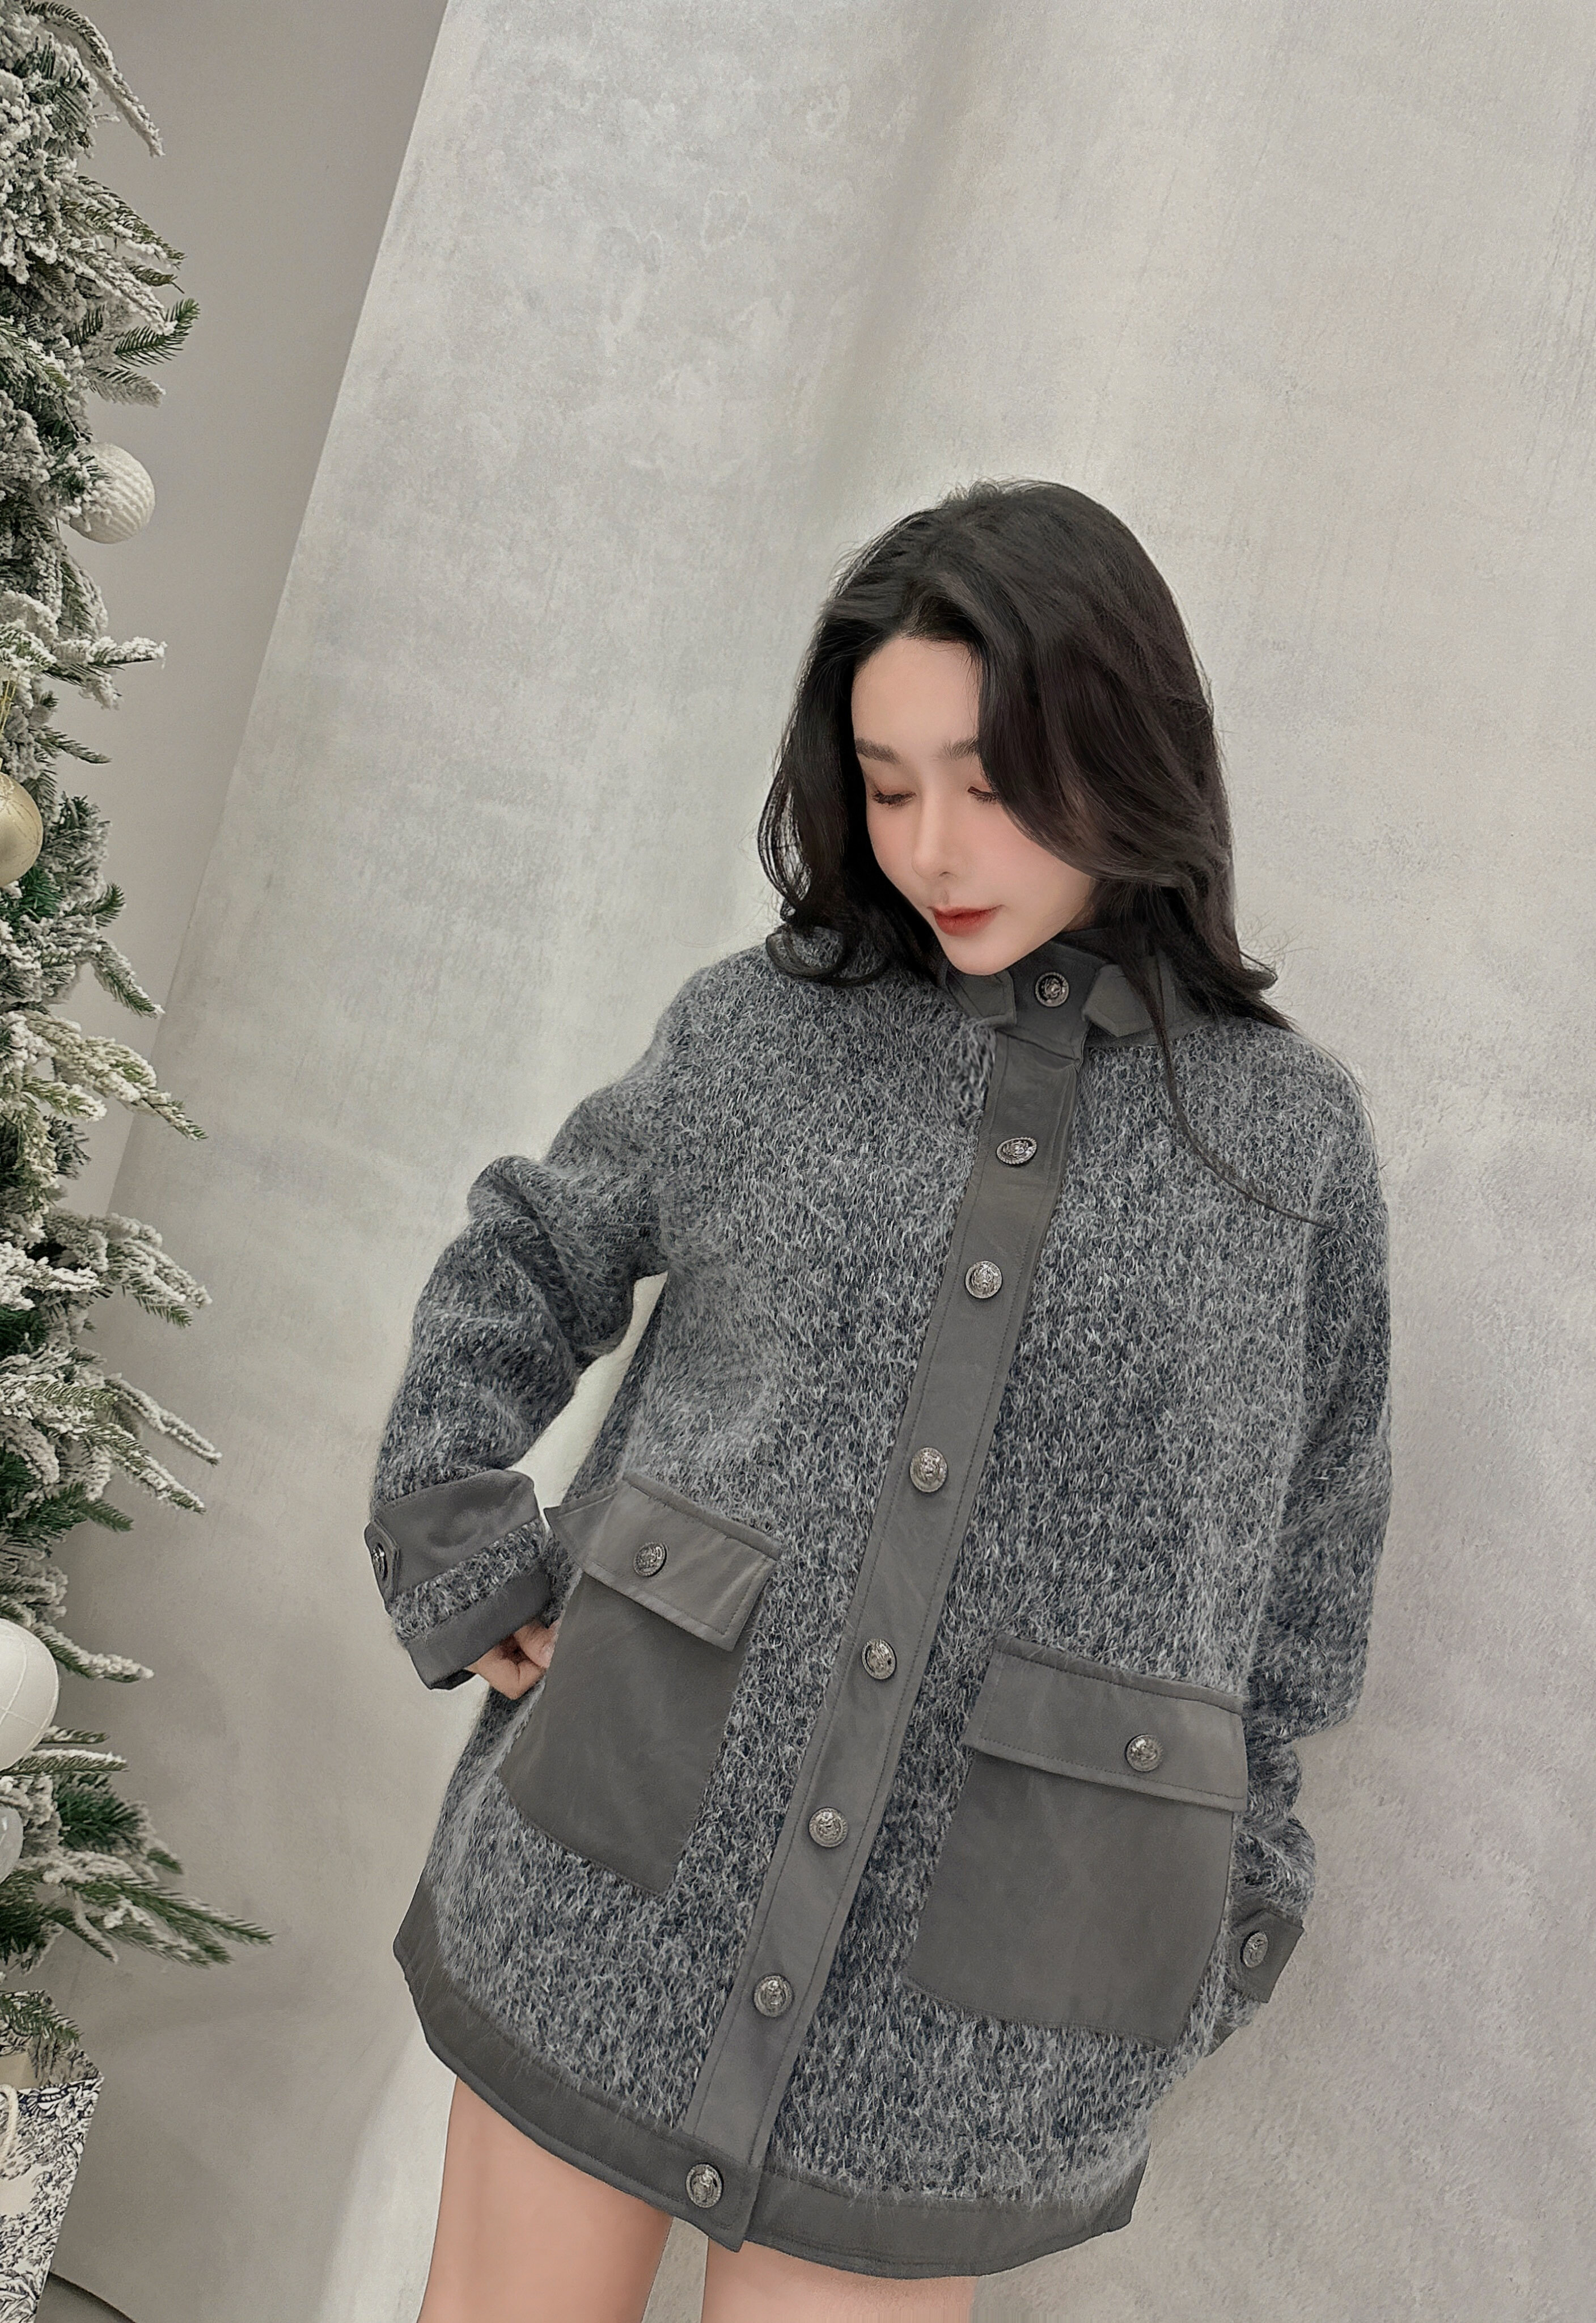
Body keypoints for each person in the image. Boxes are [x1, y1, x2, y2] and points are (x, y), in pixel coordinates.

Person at [363, 478, 1393, 2323]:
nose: (932, 845)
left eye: (990, 782)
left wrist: (1241, 1906)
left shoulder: (1285, 1143)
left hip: (964, 2010)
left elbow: (1307, 1565)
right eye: (888, 781)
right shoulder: (765, 1028)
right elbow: (531, 1245)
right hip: (612, 1868)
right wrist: (456, 1531)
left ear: (1126, 751)